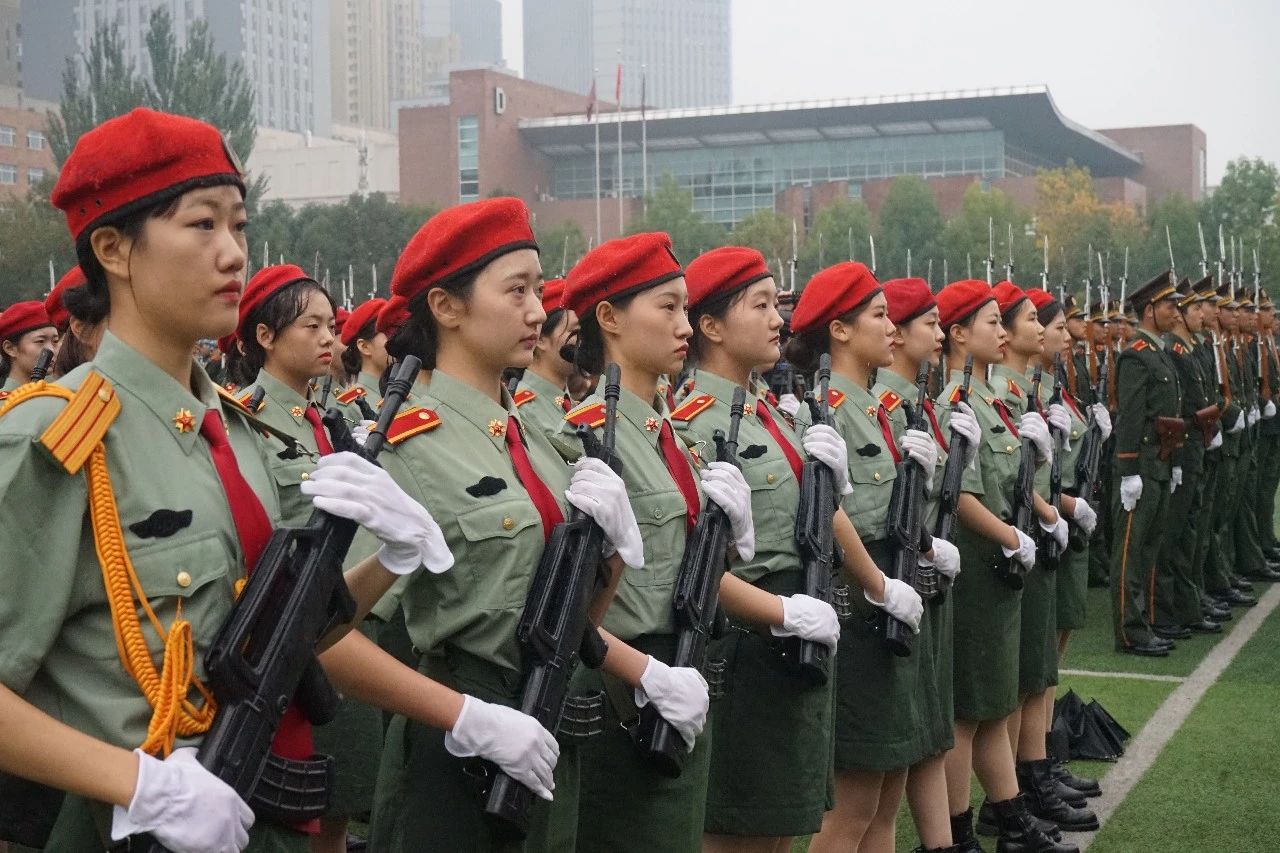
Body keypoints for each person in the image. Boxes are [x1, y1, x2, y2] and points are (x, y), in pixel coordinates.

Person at [0, 107, 458, 853]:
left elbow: (283, 641)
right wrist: (136, 782)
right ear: (113, 250)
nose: (233, 253)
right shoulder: (58, 439)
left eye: (240, 226)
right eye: (202, 225)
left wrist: (390, 559)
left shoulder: (239, 434)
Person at [354, 198, 653, 853]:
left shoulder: (540, 443)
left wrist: (613, 555)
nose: (539, 312)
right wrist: (466, 715)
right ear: (447, 306)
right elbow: (327, 638)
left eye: (538, 291)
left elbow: (577, 620)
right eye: (516, 291)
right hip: (459, 742)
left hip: (544, 727)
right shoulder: (408, 447)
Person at [556, 232, 751, 853]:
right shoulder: (584, 439)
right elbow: (570, 599)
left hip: (682, 671)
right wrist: (646, 676)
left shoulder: (671, 434)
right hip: (620, 690)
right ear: (610, 318)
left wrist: (730, 541)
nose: (684, 325)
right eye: (666, 307)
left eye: (685, 308)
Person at [677, 246, 849, 852]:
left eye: (777, 304)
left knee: (778, 828)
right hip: (744, 643)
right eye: (760, 305)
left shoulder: (769, 411)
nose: (779, 319)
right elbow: (689, 563)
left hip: (796, 633)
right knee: (737, 831)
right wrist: (781, 611)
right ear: (712, 326)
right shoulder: (696, 422)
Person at [780, 263, 938, 853]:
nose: (892, 327)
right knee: (854, 803)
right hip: (862, 602)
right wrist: (878, 584)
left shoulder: (872, 405)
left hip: (892, 592)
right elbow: (829, 510)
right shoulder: (824, 411)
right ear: (840, 331)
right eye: (879, 315)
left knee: (884, 794)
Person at [931, 280, 1069, 853]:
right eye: (991, 322)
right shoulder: (957, 404)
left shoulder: (987, 400)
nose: (1003, 331)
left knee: (995, 704)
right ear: (959, 334)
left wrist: (1041, 508)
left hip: (1001, 568)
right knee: (969, 710)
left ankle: (1009, 814)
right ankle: (961, 829)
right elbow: (961, 497)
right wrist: (1014, 534)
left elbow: (1009, 481)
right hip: (976, 567)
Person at [874, 277, 982, 853]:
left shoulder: (918, 405)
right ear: (897, 333)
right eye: (929, 324)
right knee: (897, 752)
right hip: (898, 583)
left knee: (931, 728)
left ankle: (947, 842)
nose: (939, 335)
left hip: (929, 579)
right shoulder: (885, 409)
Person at [1111, 272, 1184, 657]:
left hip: (1159, 462)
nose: (1176, 312)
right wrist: (1128, 471)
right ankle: (1130, 632)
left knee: (1148, 547)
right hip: (1140, 466)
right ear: (1151, 310)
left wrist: (1174, 460)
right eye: (1170, 305)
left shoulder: (1158, 351)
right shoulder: (1136, 354)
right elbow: (1131, 416)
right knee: (1130, 551)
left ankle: (1145, 621)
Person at [1153, 280, 1224, 638]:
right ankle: (1170, 608)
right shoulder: (1176, 352)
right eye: (1195, 308)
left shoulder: (1192, 348)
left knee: (1192, 528)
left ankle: (1189, 601)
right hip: (1185, 446)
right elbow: (1182, 407)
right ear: (1180, 316)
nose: (1202, 313)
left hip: (1198, 444)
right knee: (1175, 534)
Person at [514, 278, 581, 438]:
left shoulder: (573, 405)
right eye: (574, 332)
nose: (582, 341)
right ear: (540, 339)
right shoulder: (524, 410)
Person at [0, 301, 59, 394]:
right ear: (10, 348)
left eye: (55, 341)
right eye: (40, 341)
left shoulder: (61, 394)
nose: (51, 349)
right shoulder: (5, 402)